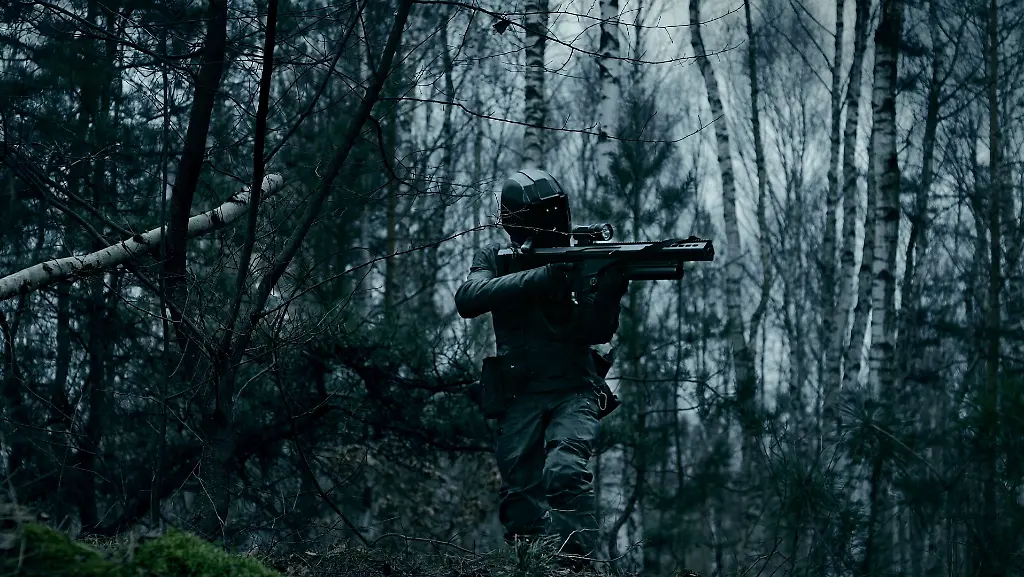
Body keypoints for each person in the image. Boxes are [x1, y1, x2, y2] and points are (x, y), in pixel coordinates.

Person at [454, 168, 628, 567]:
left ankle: (577, 568)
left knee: (565, 472)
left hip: (574, 389)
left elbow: (597, 330)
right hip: (519, 394)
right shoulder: (495, 258)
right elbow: (468, 298)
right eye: (544, 215)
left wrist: (609, 292)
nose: (555, 222)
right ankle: (534, 568)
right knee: (520, 501)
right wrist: (543, 278)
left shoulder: (576, 259)